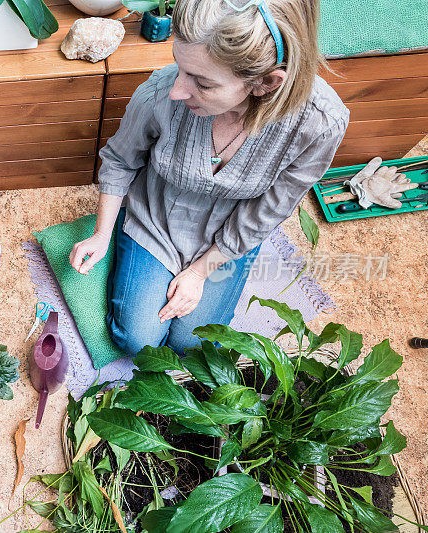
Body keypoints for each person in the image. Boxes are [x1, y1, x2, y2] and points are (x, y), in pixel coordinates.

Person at [69, 0, 349, 357]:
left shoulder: (320, 124)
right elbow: (120, 160)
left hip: (231, 234)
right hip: (155, 218)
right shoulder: (161, 91)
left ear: (265, 82)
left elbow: (268, 211)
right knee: (137, 342)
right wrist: (102, 233)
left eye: (201, 82)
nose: (176, 91)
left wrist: (201, 271)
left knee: (195, 345)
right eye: (179, 68)